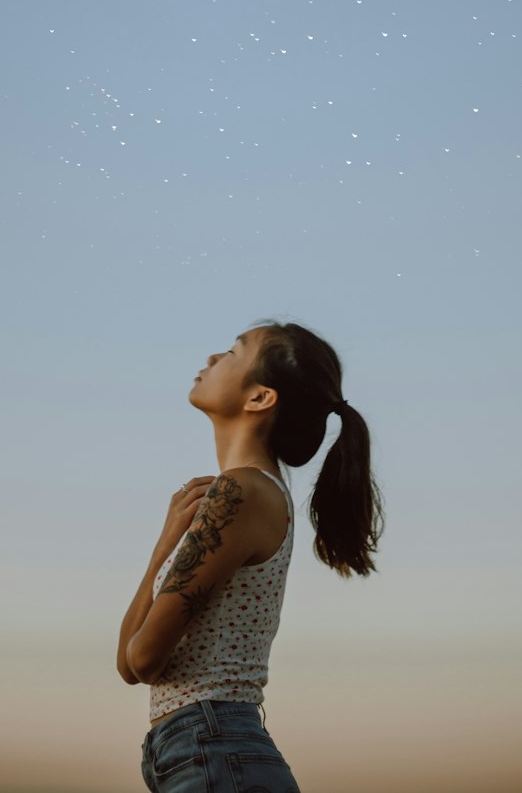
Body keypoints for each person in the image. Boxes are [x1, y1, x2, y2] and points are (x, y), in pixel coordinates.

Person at [117, 320, 384, 792]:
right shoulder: (246, 492)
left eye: (232, 352)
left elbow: (143, 658)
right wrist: (166, 543)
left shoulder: (240, 493)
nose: (212, 359)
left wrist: (167, 551)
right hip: (204, 750)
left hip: (213, 750)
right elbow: (129, 666)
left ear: (260, 397)